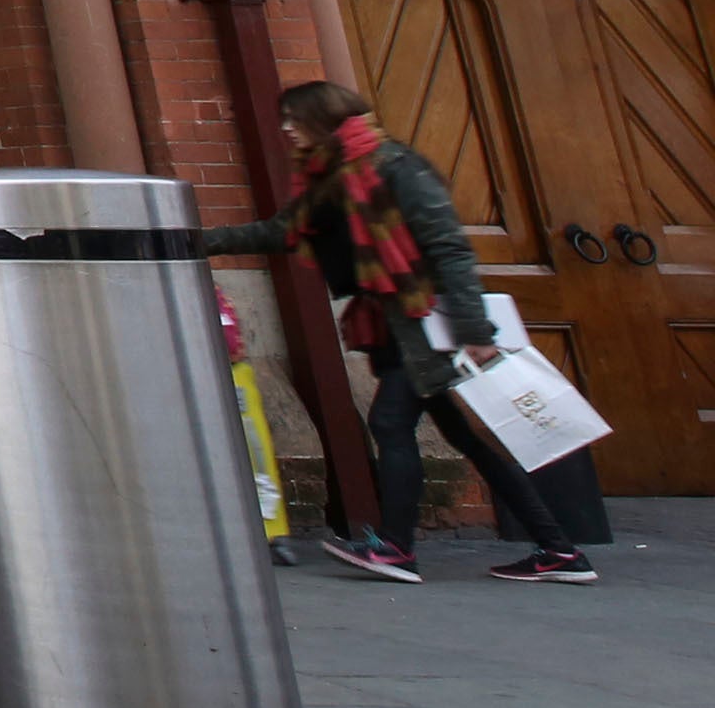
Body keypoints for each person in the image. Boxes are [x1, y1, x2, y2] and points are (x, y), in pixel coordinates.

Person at [199, 79, 597, 586]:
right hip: (389, 325)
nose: (285, 129)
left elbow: (449, 247)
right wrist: (195, 239)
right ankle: (558, 551)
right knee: (464, 439)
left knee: (390, 423)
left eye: (294, 119)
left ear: (322, 119)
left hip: (425, 323)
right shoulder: (330, 177)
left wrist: (475, 330)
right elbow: (283, 230)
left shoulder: (396, 168)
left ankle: (396, 549)